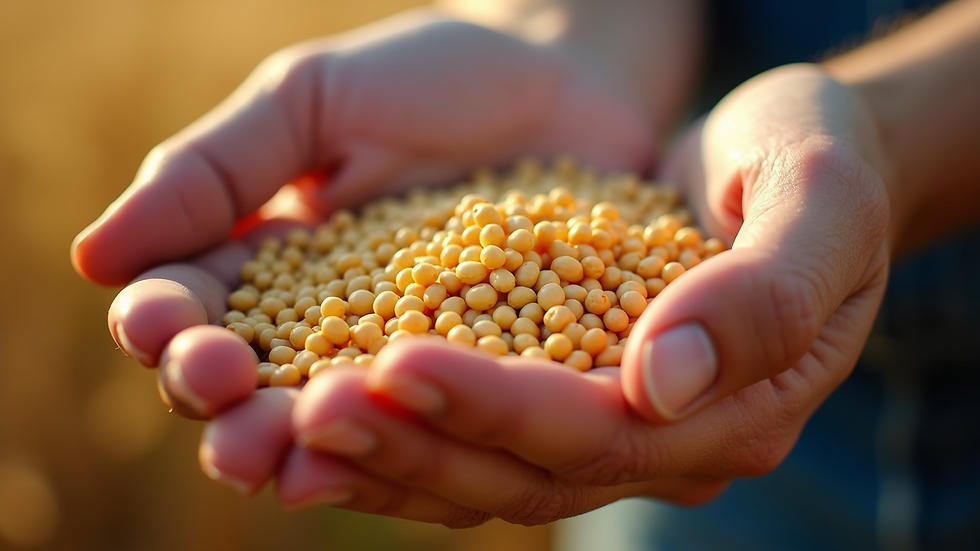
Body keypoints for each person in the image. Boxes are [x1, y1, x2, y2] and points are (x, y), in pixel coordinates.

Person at [70, 0, 980, 548]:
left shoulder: (615, 268)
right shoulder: (590, 262)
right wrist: (573, 28)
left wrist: (892, 130)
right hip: (720, 463)